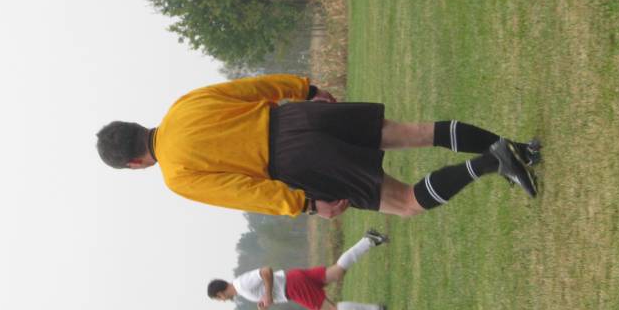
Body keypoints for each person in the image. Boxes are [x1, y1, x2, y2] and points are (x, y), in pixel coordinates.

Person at [96, 74, 540, 218]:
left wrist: (307, 205)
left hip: (293, 161)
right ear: (137, 125)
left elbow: (245, 192)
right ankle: (518, 149)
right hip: (295, 117)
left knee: (405, 202)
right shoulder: (182, 106)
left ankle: (493, 161)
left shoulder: (176, 176)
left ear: (134, 163)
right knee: (415, 132)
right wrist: (304, 89)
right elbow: (251, 87)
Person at [207, 229, 391, 310]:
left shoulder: (241, 285)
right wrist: (266, 299)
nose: (222, 301)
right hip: (293, 279)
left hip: (293, 287)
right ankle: (369, 240)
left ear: (220, 293)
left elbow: (266, 271)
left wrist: (268, 296)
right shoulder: (241, 287)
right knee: (337, 273)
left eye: (219, 298)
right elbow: (265, 283)